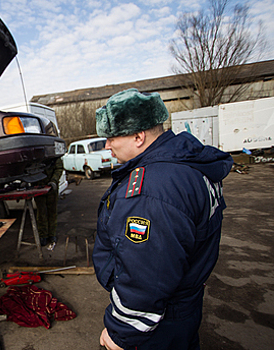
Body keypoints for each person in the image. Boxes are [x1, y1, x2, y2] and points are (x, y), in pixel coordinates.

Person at [92, 88, 233, 350]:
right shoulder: (188, 163)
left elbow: (147, 275)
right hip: (184, 307)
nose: (107, 145)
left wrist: (122, 332)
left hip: (157, 322)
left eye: (111, 137)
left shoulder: (149, 192)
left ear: (138, 136)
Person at [35, 157, 63, 250]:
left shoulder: (53, 154)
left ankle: (52, 235)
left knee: (52, 212)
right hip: (38, 187)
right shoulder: (34, 154)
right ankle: (43, 236)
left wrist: (54, 180)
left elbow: (59, 168)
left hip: (51, 187)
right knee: (41, 212)